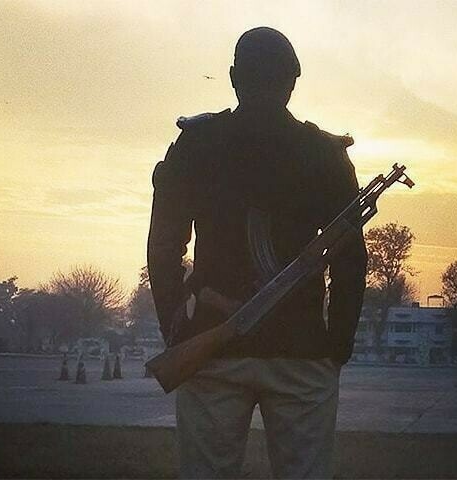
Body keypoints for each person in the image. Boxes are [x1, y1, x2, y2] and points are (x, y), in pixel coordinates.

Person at [148, 27, 368, 478]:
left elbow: (164, 247)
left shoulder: (197, 142)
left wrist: (177, 327)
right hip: (298, 349)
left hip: (216, 351)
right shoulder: (323, 153)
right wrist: (336, 345)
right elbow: (350, 260)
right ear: (293, 80)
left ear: (233, 77)